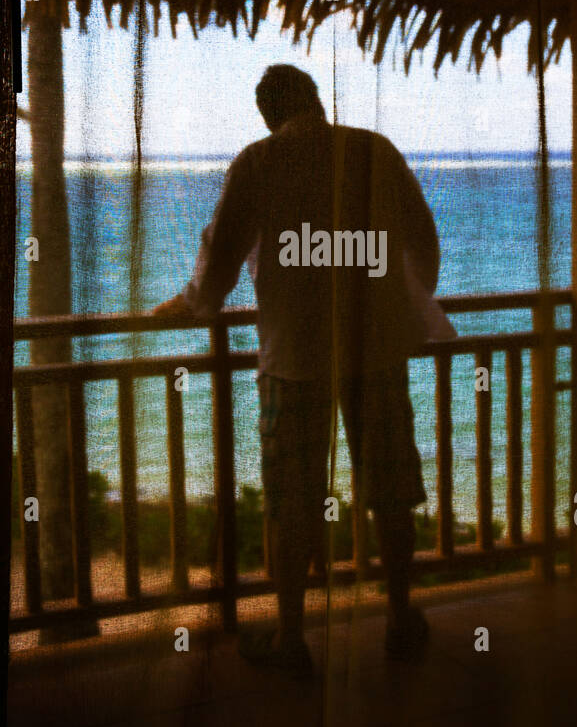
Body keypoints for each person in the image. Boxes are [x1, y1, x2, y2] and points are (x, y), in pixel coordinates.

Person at [152, 64, 454, 676]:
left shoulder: (260, 162)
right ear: (317, 99)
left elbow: (221, 259)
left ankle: (292, 638)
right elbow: (423, 237)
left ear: (267, 112)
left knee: (293, 499)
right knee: (391, 490)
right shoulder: (373, 151)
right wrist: (404, 306)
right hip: (376, 350)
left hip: (293, 357)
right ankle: (400, 619)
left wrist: (189, 305)